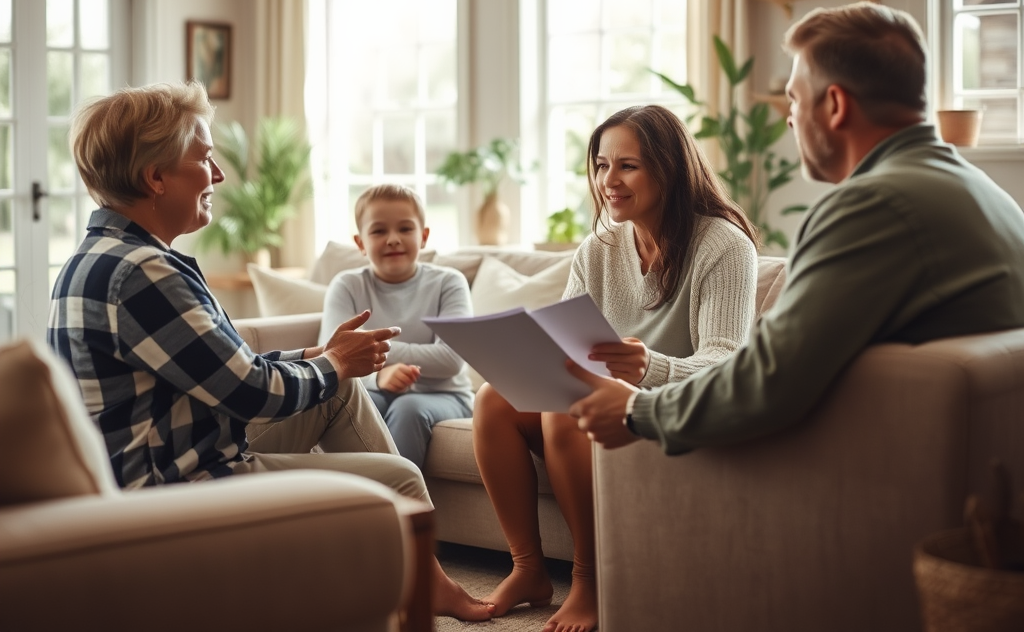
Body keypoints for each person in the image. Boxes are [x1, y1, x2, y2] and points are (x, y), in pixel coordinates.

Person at [47, 81, 493, 622]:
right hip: (175, 482)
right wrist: (331, 363)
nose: (218, 176)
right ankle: (418, 587)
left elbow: (227, 368)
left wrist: (321, 356)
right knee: (399, 481)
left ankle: (427, 581)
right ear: (156, 177)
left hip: (175, 444)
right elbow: (252, 393)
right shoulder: (143, 273)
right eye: (205, 159)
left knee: (338, 389)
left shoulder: (103, 256)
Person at [569, 1, 1024, 456]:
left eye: (794, 98)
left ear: (835, 104)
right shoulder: (984, 194)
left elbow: (771, 377)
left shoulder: (873, 208)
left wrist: (638, 414)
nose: (789, 118)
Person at [473, 104, 759, 632]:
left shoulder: (723, 245)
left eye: (627, 166)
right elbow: (563, 341)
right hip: (597, 408)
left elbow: (727, 364)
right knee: (493, 399)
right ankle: (530, 570)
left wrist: (650, 366)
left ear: (669, 168)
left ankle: (591, 581)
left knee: (565, 408)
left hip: (669, 413)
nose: (609, 181)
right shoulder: (599, 249)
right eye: (602, 166)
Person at [318, 184, 474, 470]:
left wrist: (369, 352)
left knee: (408, 408)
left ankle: (405, 510)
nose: (393, 239)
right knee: (359, 406)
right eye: (378, 231)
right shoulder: (347, 285)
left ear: (423, 236)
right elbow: (332, 358)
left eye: (405, 229)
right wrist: (378, 378)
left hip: (447, 396)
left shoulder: (449, 283)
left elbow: (452, 360)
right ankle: (354, 504)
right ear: (360, 242)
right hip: (372, 389)